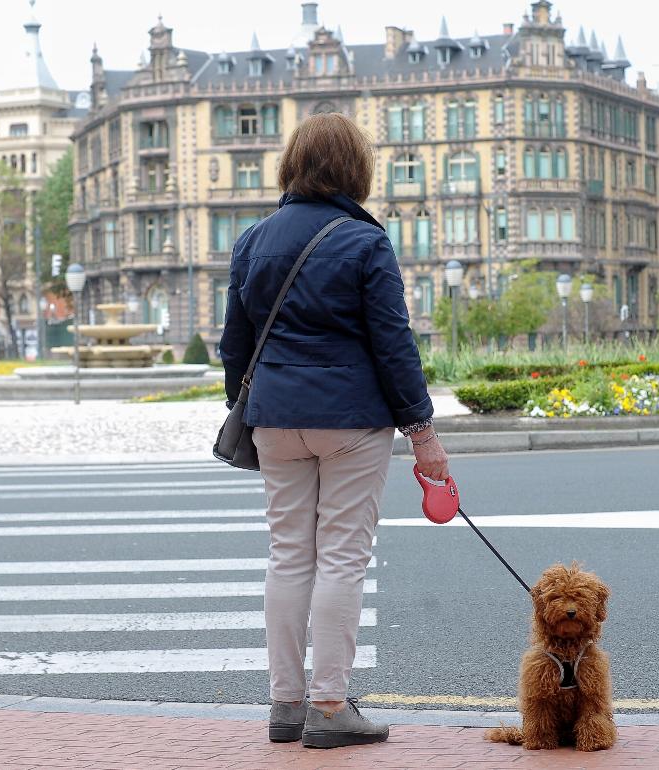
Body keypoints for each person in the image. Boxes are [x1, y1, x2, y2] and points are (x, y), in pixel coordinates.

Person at [219, 112, 450, 749]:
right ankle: (329, 706)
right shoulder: (364, 241)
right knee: (343, 558)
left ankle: (284, 706)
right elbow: (393, 344)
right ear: (356, 170)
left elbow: (233, 344)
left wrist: (251, 405)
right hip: (350, 419)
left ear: (291, 164)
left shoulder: (253, 239)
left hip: (274, 418)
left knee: (288, 557)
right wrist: (422, 431)